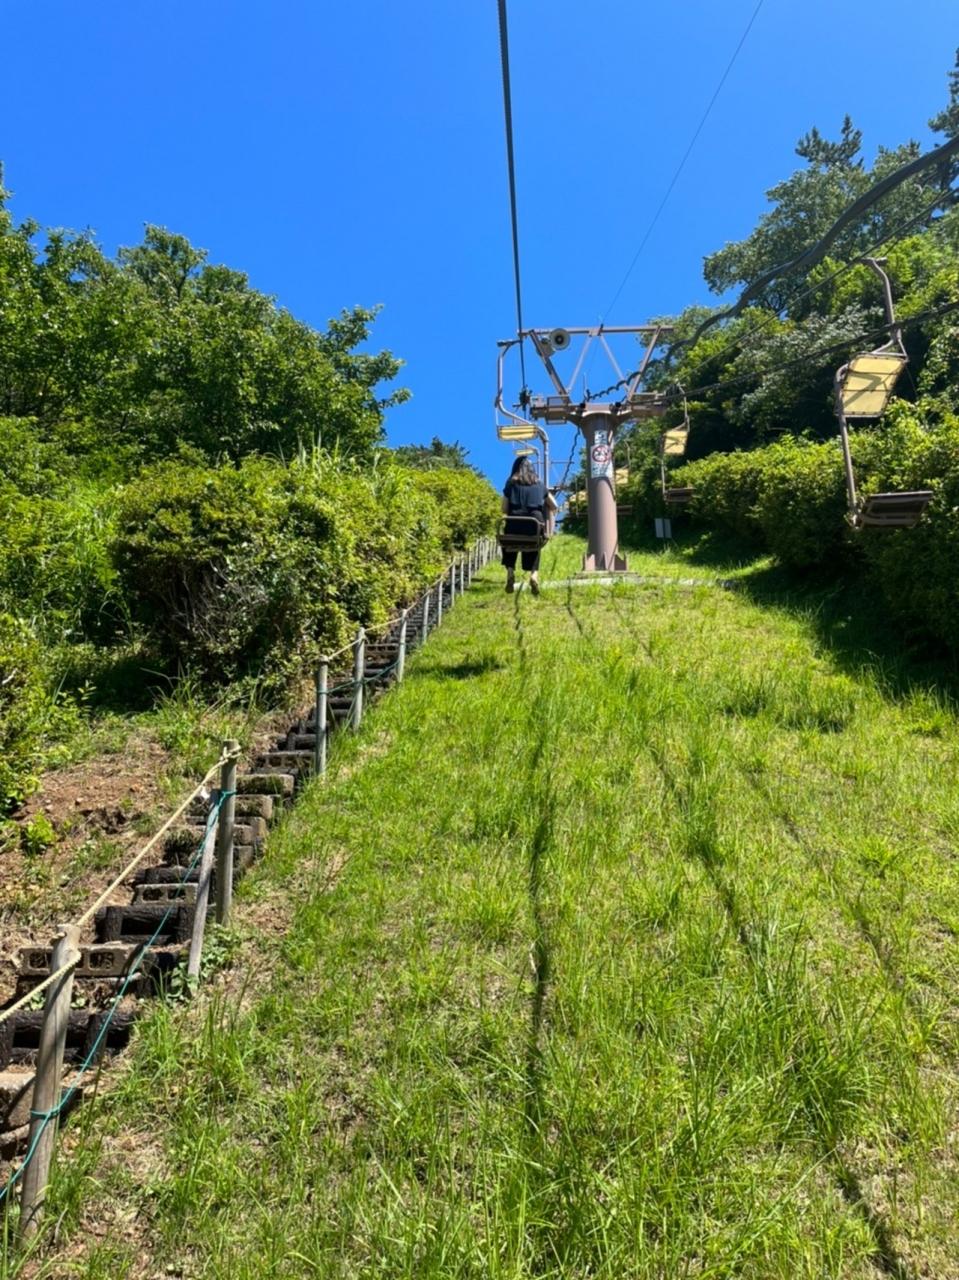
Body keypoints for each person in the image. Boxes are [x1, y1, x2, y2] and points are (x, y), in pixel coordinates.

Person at [501, 455, 558, 595]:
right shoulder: (540, 485)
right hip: (534, 525)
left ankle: (510, 572)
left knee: (508, 543)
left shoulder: (510, 484)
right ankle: (533, 575)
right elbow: (554, 505)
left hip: (514, 525)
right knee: (535, 545)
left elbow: (504, 508)